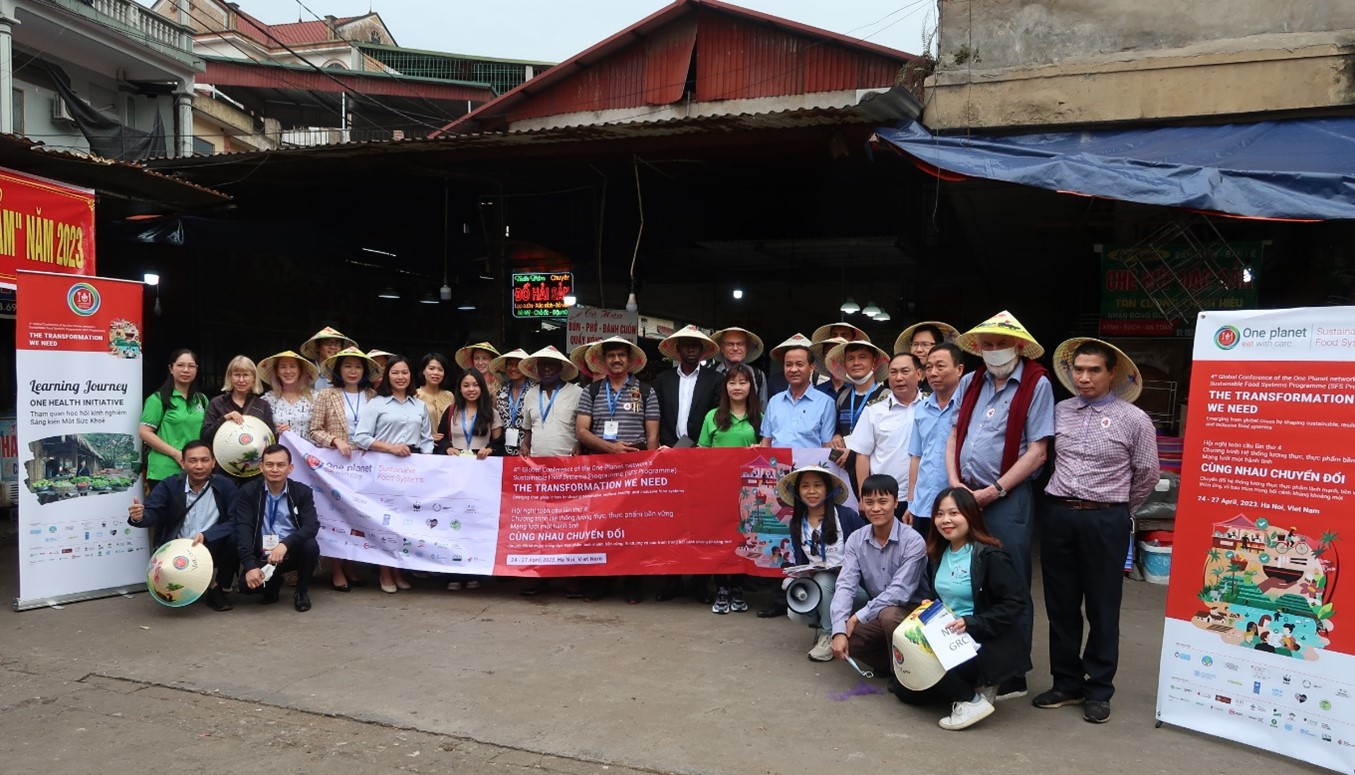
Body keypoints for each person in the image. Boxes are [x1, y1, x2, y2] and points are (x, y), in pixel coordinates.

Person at [1034, 338, 1159, 724]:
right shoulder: (1060, 411)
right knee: (1060, 605)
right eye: (1079, 369)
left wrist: (1119, 510)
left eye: (1094, 370)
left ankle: (1099, 688)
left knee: (1103, 607)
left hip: (1106, 520)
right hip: (1059, 515)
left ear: (1111, 374)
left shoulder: (1134, 419)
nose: (1084, 378)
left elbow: (1147, 473)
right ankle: (1066, 683)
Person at [946, 310, 1055, 701]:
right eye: (987, 345)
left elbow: (1038, 451)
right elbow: (954, 435)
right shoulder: (971, 381)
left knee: (1011, 582)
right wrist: (956, 484)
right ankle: (973, 659)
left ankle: (1012, 674)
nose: (993, 351)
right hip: (966, 493)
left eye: (1001, 344)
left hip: (1007, 497)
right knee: (967, 575)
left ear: (1019, 347)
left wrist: (994, 490)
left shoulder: (1036, 384)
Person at [900, 487, 1028, 731]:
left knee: (925, 666)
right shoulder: (940, 552)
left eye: (954, 513)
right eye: (940, 514)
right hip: (948, 637)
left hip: (979, 642)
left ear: (970, 515)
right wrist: (931, 605)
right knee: (905, 691)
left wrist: (972, 623)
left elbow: (1015, 604)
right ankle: (963, 687)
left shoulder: (990, 555)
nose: (945, 520)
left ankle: (972, 701)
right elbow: (944, 596)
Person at [575, 336, 660, 603]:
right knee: (600, 527)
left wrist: (648, 469)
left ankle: (633, 583)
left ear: (630, 360)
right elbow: (581, 431)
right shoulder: (591, 391)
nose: (616, 360)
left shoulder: (646, 391)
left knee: (632, 527)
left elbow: (653, 435)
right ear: (603, 361)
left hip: (635, 469)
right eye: (611, 355)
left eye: (621, 355)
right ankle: (601, 581)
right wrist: (610, 448)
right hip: (600, 469)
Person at [828, 474, 928, 674]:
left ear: (896, 502)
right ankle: (895, 665)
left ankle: (905, 675)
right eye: (869, 502)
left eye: (883, 501)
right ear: (861, 504)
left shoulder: (913, 541)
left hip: (915, 611)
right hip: (879, 611)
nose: (875, 508)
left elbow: (899, 592)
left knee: (888, 615)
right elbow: (845, 585)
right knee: (848, 638)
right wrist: (839, 630)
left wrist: (856, 618)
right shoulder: (856, 539)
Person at [353, 355, 434, 594]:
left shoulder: (419, 405)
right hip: (383, 469)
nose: (400, 377)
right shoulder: (376, 404)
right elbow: (361, 437)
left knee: (404, 523)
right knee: (384, 523)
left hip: (411, 471)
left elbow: (427, 440)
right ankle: (385, 571)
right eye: (395, 372)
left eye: (405, 372)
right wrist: (390, 448)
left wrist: (426, 463)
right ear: (387, 376)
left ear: (411, 376)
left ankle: (398, 570)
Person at [127, 440, 239, 611]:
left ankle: (217, 587)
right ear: (183, 463)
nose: (199, 466)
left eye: (204, 460)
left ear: (213, 462)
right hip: (178, 547)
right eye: (193, 460)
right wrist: (139, 517)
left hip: (212, 544)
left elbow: (235, 520)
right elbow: (152, 512)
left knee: (236, 538)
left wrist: (208, 535)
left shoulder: (225, 485)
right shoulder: (170, 485)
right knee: (174, 590)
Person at [308, 346, 381, 591]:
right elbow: (314, 430)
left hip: (365, 466)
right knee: (336, 516)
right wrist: (335, 440)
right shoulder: (326, 395)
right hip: (336, 466)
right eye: (347, 366)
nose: (353, 371)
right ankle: (337, 569)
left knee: (357, 517)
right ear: (339, 370)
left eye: (358, 366)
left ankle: (351, 566)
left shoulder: (373, 396)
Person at [777, 466, 866, 659]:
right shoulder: (797, 522)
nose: (811, 491)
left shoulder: (846, 516)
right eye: (805, 486)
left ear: (827, 489)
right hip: (821, 586)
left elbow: (868, 551)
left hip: (855, 589)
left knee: (823, 580)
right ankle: (831, 627)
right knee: (795, 611)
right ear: (798, 491)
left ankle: (829, 635)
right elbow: (801, 562)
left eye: (817, 485)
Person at [698, 363, 765, 611]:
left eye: (743, 382)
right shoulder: (712, 416)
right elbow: (701, 452)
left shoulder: (760, 418)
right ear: (725, 386)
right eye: (732, 382)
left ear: (751, 387)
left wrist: (759, 451)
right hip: (717, 490)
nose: (737, 387)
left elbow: (767, 454)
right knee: (719, 539)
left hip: (747, 492)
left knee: (743, 539)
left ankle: (738, 589)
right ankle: (721, 589)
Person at [233, 444, 321, 613]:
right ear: (261, 467)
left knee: (310, 546)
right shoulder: (248, 492)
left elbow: (311, 526)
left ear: (290, 468)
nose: (274, 469)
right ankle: (273, 584)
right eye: (269, 464)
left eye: (280, 465)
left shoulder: (302, 492)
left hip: (291, 550)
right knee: (246, 586)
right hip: (263, 552)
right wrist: (250, 566)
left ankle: (301, 592)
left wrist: (286, 544)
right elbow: (243, 529)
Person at [846, 352, 924, 516]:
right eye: (893, 372)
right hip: (883, 498)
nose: (898, 377)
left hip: (924, 495)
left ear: (919, 374)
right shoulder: (874, 410)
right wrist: (864, 495)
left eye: (905, 371)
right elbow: (862, 455)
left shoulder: (931, 408)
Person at [906, 343, 966, 538]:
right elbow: (916, 456)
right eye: (929, 367)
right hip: (923, 504)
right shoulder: (921, 408)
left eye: (940, 366)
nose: (932, 373)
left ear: (959, 370)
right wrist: (911, 502)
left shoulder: (969, 406)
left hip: (957, 503)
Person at [823, 339, 890, 494]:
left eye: (862, 357)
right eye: (850, 358)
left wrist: (854, 451)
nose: (856, 363)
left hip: (874, 477)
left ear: (874, 362)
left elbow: (886, 440)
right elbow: (838, 428)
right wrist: (836, 435)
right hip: (843, 473)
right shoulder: (842, 396)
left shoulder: (886, 397)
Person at [139, 349, 209, 494]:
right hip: (164, 470)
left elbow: (208, 431)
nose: (186, 370)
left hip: (195, 471)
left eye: (191, 366)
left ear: (196, 370)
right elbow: (144, 433)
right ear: (171, 368)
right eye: (180, 365)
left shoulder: (202, 399)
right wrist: (177, 454)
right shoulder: (158, 399)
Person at [759, 334, 835, 449]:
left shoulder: (826, 403)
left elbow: (827, 446)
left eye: (799, 364)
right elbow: (766, 443)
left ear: (812, 367)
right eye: (788, 365)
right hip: (776, 460)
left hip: (811, 461)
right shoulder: (774, 401)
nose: (793, 369)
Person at [654, 326, 722, 448]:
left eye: (695, 345)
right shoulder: (663, 379)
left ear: (701, 349)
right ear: (678, 349)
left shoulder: (715, 379)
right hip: (668, 447)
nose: (691, 349)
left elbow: (717, 415)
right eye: (686, 345)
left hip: (702, 447)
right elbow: (657, 413)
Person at [201, 355, 277, 459]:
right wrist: (224, 418)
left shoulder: (263, 405)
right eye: (237, 375)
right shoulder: (217, 403)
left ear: (254, 378)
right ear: (230, 377)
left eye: (246, 375)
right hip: (223, 462)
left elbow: (270, 439)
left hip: (255, 463)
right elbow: (205, 437)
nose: (241, 380)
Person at [520, 346, 583, 458]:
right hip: (536, 462)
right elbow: (528, 429)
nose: (546, 369)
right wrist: (525, 445)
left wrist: (580, 445)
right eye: (542, 365)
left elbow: (583, 429)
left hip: (569, 461)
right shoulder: (530, 394)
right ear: (537, 368)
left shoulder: (577, 393)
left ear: (560, 368)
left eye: (551, 364)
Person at [436, 369, 503, 460]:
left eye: (475, 385)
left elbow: (498, 443)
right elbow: (441, 437)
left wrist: (489, 450)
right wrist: (448, 448)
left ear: (482, 387)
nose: (471, 389)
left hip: (481, 461)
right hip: (455, 461)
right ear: (460, 389)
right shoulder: (451, 410)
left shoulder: (492, 413)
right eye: (466, 386)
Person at [258, 350, 318, 442]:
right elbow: (260, 432)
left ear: (300, 371)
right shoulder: (267, 399)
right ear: (277, 372)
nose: (288, 371)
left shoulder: (315, 397)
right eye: (283, 367)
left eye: (292, 366)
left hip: (310, 449)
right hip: (280, 449)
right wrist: (275, 432)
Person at [489, 348, 534, 457]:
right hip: (504, 451)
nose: (513, 368)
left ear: (525, 367)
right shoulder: (500, 393)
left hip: (530, 451)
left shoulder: (535, 391)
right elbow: (494, 422)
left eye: (518, 364)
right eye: (510, 364)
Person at [712, 327, 768, 410]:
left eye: (740, 344)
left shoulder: (758, 376)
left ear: (747, 347)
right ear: (722, 348)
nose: (735, 348)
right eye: (730, 344)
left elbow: (763, 409)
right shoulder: (710, 374)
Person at [894, 321, 960, 391]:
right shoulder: (902, 379)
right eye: (915, 344)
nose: (919, 350)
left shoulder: (947, 381)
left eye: (925, 344)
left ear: (938, 346)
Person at [300, 326, 358, 391]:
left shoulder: (345, 373)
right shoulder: (306, 371)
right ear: (317, 347)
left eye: (337, 344)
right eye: (327, 343)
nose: (333, 347)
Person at [414, 352, 454, 444]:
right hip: (424, 445)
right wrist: (428, 437)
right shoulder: (415, 395)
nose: (436, 373)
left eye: (440, 369)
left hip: (448, 446)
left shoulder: (449, 396)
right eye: (431, 368)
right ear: (423, 371)